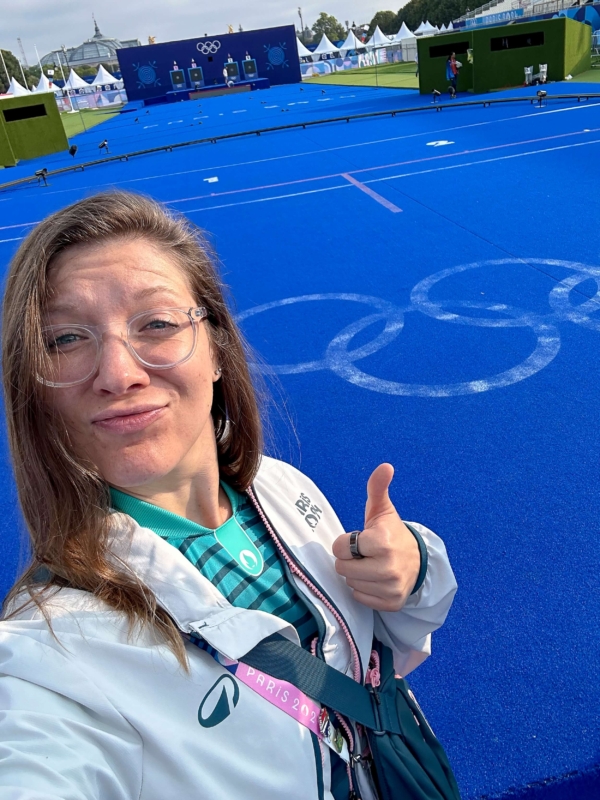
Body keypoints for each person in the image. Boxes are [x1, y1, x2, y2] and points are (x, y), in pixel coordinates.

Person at [0, 192, 458, 800]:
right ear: (36, 385)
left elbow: (383, 656)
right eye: (65, 340)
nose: (117, 373)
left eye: (156, 323)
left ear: (215, 349)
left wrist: (413, 571)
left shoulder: (281, 485)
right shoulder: (48, 652)